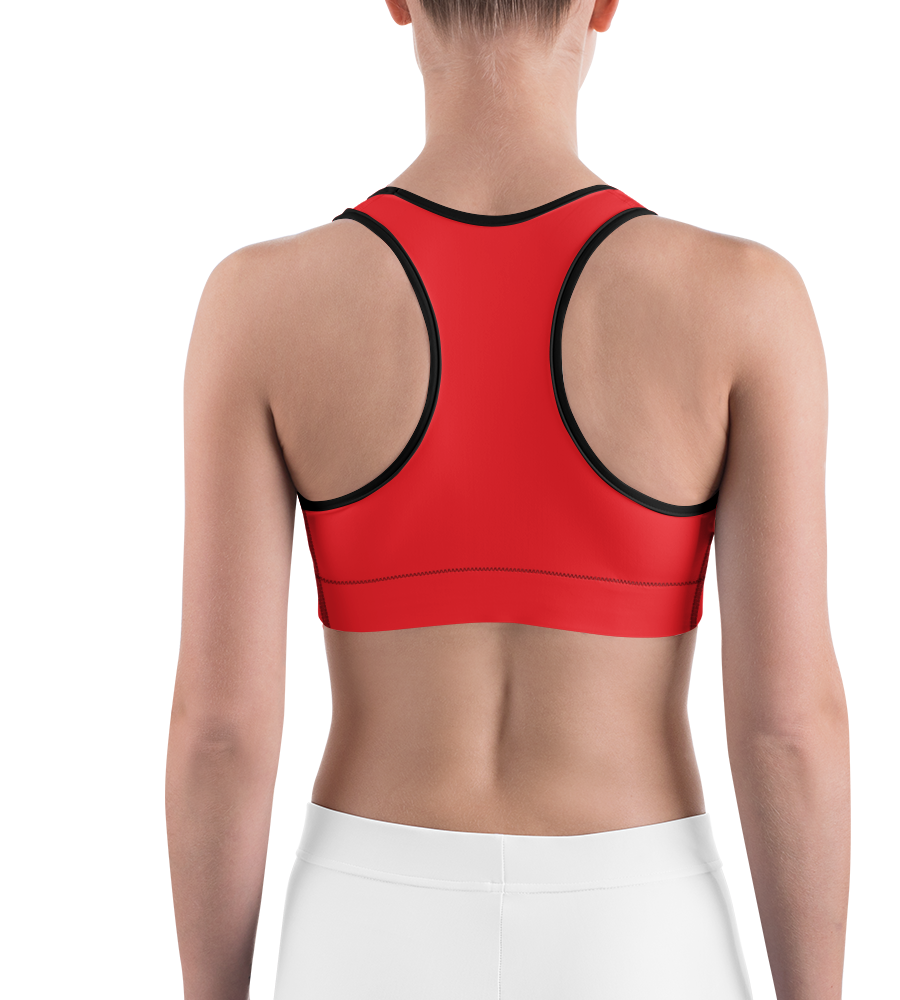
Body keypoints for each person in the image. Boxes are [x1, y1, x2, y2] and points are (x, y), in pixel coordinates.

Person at [166, 0, 850, 997]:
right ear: (602, 6)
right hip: (636, 918)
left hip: (371, 916)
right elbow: (789, 724)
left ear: (399, 1)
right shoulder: (744, 298)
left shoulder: (259, 300)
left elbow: (221, 729)